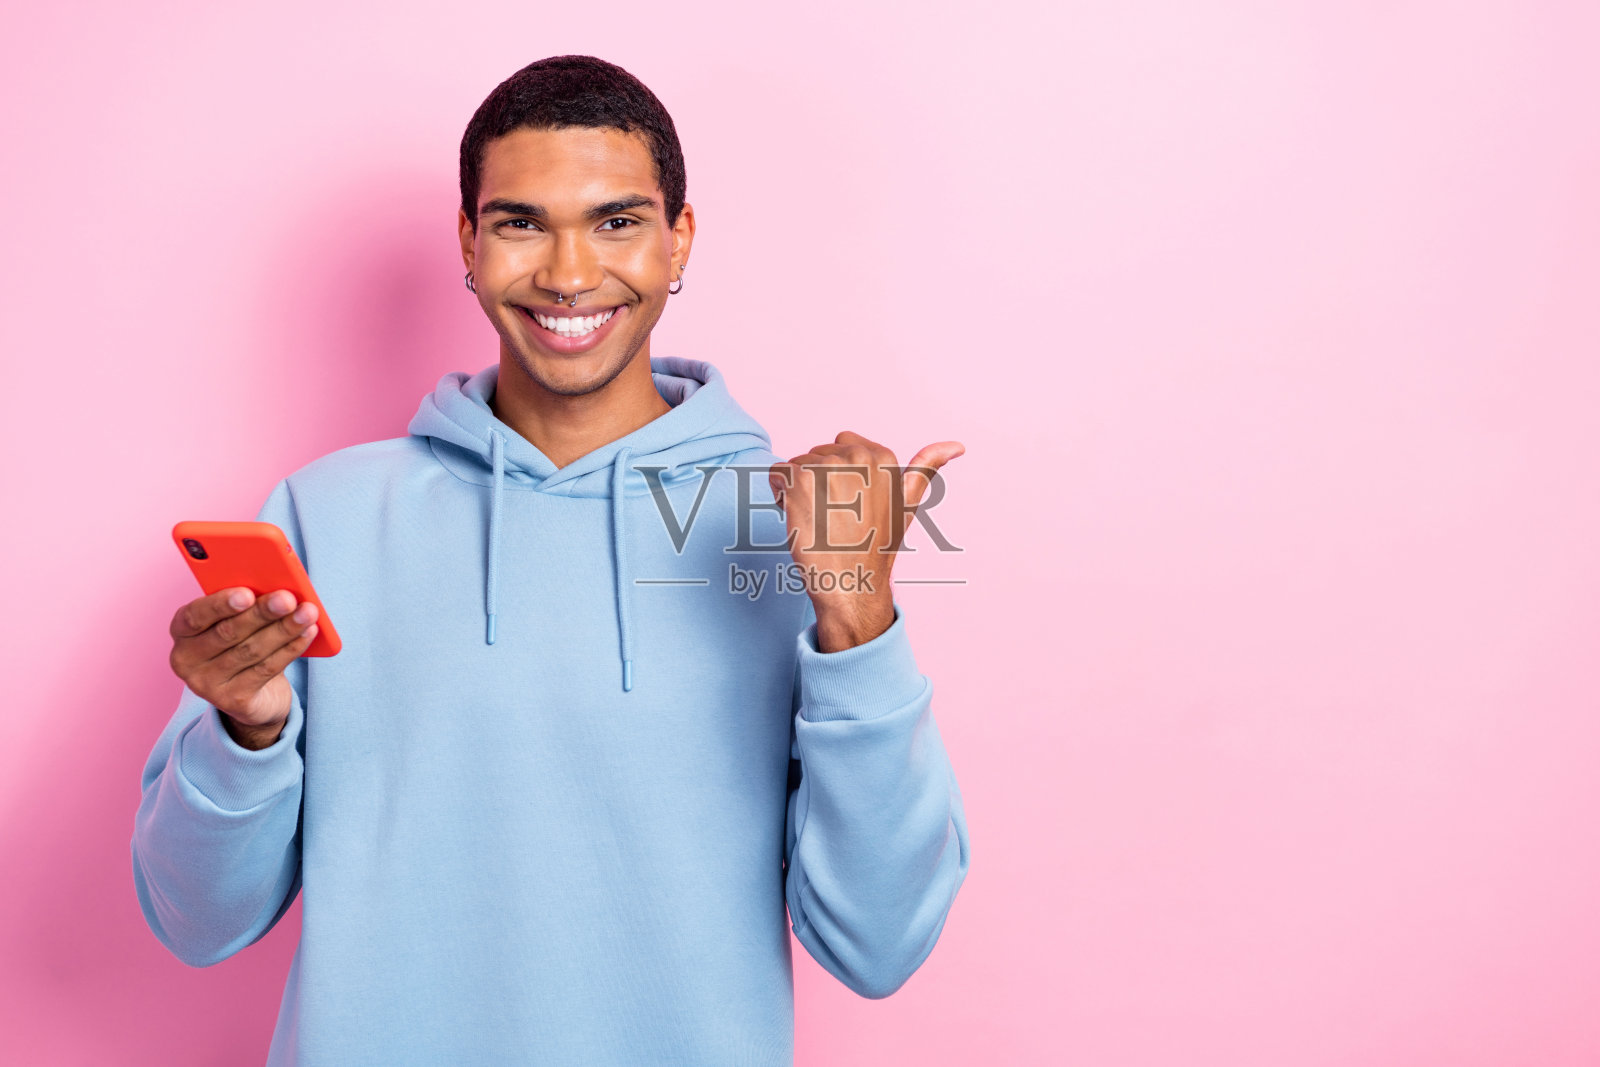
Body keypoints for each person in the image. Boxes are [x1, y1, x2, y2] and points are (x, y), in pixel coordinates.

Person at [132, 54, 970, 1067]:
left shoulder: (790, 527)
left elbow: (879, 943)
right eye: (522, 223)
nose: (569, 274)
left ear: (678, 240)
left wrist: (857, 617)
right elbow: (195, 920)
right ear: (469, 243)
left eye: (615, 221)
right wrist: (245, 732)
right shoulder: (325, 515)